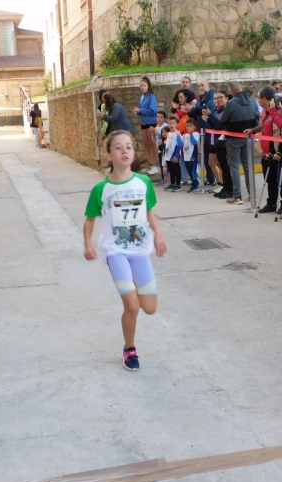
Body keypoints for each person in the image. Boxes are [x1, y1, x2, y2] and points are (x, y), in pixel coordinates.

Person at [83, 130, 166, 371]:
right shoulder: (101, 189)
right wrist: (88, 242)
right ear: (109, 154)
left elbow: (148, 210)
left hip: (140, 250)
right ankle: (129, 348)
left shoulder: (144, 183)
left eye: (128, 146)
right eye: (118, 147)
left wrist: (158, 233)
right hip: (115, 251)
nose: (125, 151)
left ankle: (135, 292)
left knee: (149, 308)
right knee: (132, 306)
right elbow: (90, 219)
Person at [219, 81, 260, 205]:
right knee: (248, 165)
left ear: (232, 92)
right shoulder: (253, 101)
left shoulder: (231, 103)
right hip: (248, 137)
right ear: (241, 88)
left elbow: (223, 121)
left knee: (234, 165)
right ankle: (252, 194)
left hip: (233, 138)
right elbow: (257, 120)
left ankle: (237, 196)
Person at [203, 90, 234, 199]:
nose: (218, 100)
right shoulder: (216, 110)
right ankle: (225, 187)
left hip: (224, 141)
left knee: (225, 166)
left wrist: (210, 116)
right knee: (219, 164)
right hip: (216, 140)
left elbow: (220, 124)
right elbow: (214, 126)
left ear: (226, 98)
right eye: (216, 98)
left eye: (220, 97)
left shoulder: (227, 110)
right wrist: (207, 118)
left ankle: (228, 188)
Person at [132, 76, 159, 174]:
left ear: (148, 86)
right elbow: (141, 110)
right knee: (146, 144)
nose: (142, 87)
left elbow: (153, 110)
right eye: (141, 86)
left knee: (152, 144)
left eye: (144, 85)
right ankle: (148, 164)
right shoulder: (141, 97)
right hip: (143, 122)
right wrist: (138, 111)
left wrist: (141, 110)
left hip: (151, 122)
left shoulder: (152, 97)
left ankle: (154, 165)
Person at [196, 79, 216, 186]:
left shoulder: (211, 95)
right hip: (202, 130)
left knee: (212, 157)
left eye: (202, 85)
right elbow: (197, 109)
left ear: (208, 85)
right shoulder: (201, 97)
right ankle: (210, 178)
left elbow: (208, 108)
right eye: (199, 86)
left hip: (210, 130)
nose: (200, 88)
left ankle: (217, 179)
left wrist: (198, 109)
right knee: (205, 156)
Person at [163, 116, 184, 191]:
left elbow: (180, 144)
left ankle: (178, 184)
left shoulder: (177, 133)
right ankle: (172, 183)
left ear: (176, 124)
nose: (171, 125)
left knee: (176, 170)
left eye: (173, 123)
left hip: (174, 156)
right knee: (171, 170)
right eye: (170, 123)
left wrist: (177, 155)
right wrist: (165, 156)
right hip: (168, 156)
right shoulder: (169, 134)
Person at [183, 118, 201, 193]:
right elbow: (182, 144)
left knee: (193, 171)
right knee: (189, 171)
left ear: (194, 127)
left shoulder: (196, 134)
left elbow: (194, 142)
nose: (188, 127)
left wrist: (191, 135)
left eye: (190, 125)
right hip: (186, 157)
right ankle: (194, 182)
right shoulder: (185, 135)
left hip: (192, 157)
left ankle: (195, 185)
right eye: (187, 126)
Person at [155, 111, 168, 186]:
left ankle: (165, 179)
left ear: (164, 118)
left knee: (164, 165)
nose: (159, 119)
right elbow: (155, 138)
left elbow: (162, 134)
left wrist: (155, 132)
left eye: (161, 117)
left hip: (164, 149)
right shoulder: (157, 126)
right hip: (159, 149)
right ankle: (163, 178)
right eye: (157, 117)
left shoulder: (165, 126)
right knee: (161, 164)